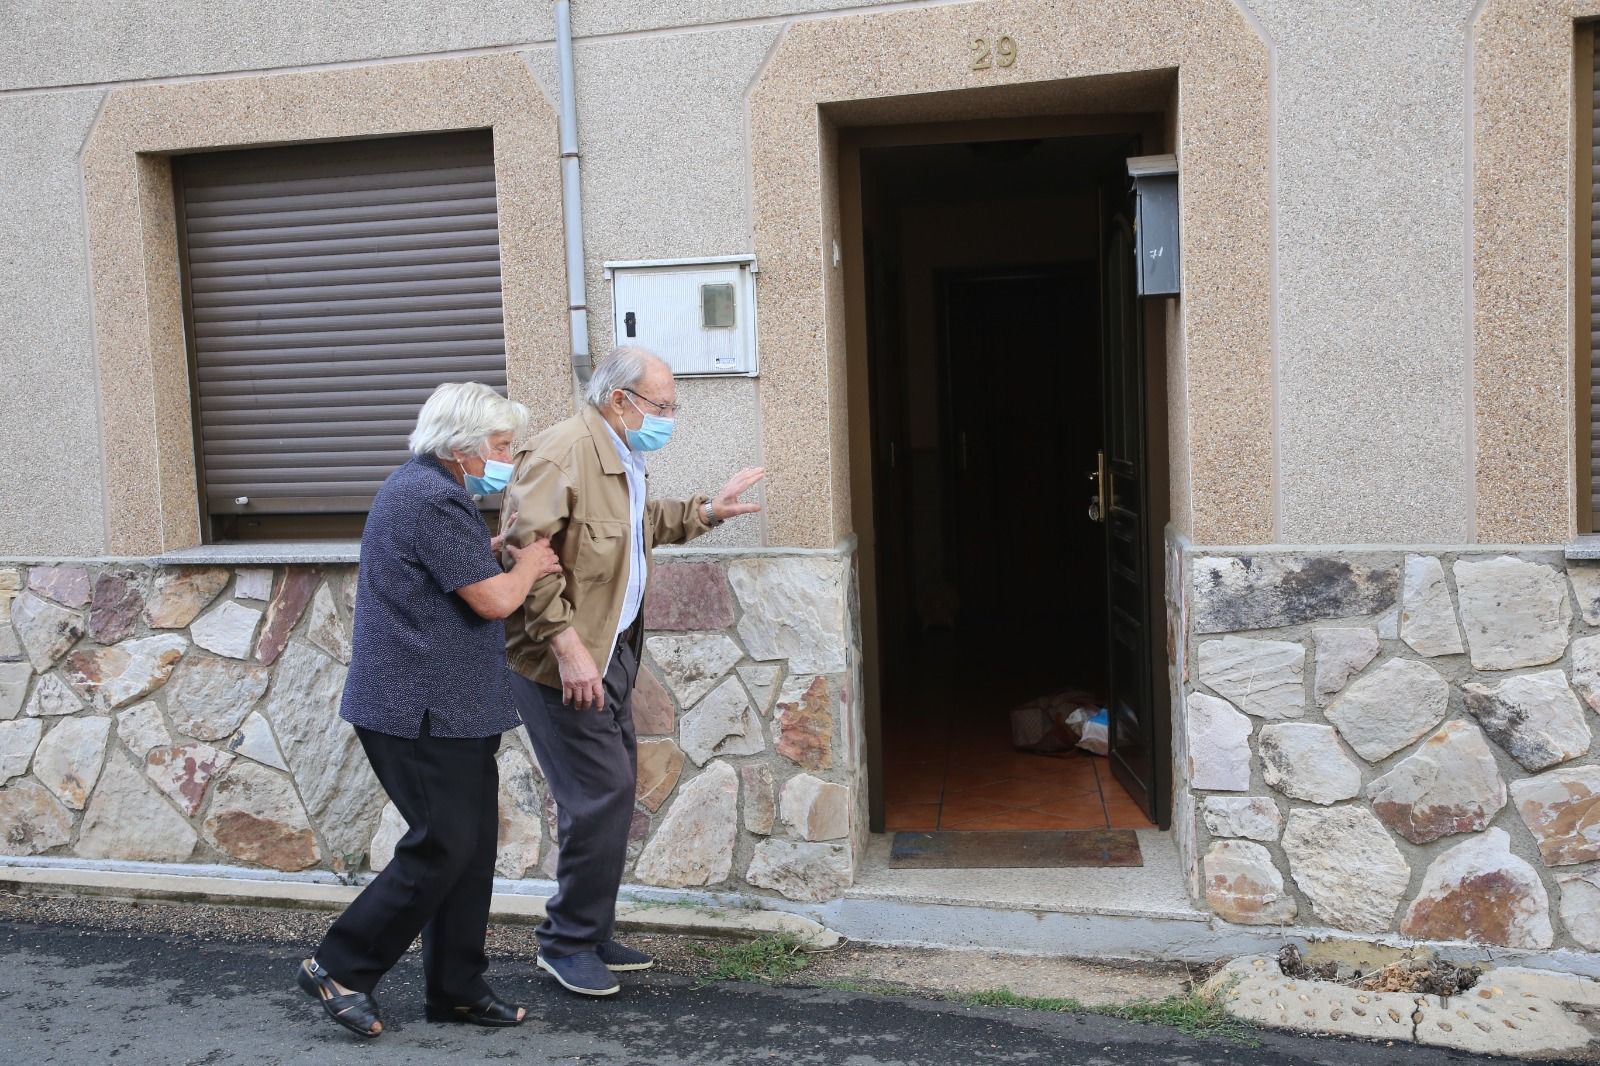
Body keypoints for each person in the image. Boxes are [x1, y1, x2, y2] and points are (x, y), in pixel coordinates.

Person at [296, 382, 562, 1038]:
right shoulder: (432, 497)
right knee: (444, 844)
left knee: (467, 849)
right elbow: (494, 601)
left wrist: (490, 556)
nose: (507, 458)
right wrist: (530, 564)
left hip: (449, 707)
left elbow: (450, 575)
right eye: (501, 445)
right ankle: (339, 967)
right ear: (462, 447)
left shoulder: (426, 490)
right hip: (419, 709)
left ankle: (456, 989)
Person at [503, 345, 764, 996]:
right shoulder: (562, 454)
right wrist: (568, 650)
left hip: (612, 651)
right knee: (600, 795)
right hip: (564, 663)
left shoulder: (621, 453)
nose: (669, 418)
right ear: (619, 399)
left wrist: (709, 511)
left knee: (612, 795)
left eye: (673, 406)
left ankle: (588, 930)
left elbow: (636, 524)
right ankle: (566, 943)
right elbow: (526, 557)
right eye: (662, 405)